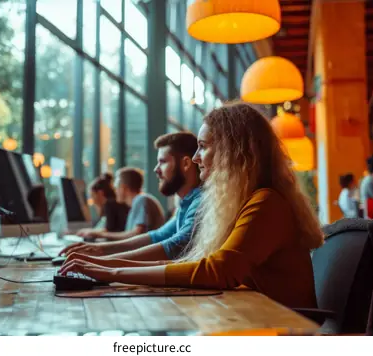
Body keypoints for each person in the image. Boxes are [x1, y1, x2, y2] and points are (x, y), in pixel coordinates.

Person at [60, 102, 324, 309]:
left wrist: (110, 270)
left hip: (285, 330)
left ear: (234, 152)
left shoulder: (267, 203)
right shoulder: (241, 202)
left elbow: (216, 271)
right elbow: (195, 260)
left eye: (203, 147)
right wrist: (104, 266)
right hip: (256, 318)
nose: (196, 158)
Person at [60, 132, 202, 262]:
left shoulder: (200, 201)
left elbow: (174, 246)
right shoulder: (186, 203)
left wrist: (104, 261)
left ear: (185, 163)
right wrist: (99, 249)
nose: (156, 169)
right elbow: (157, 236)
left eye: (163, 162)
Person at [76, 167, 164, 241]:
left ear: (123, 188)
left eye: (116, 187)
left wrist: (101, 235)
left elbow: (137, 235)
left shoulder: (141, 200)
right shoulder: (139, 202)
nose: (115, 191)